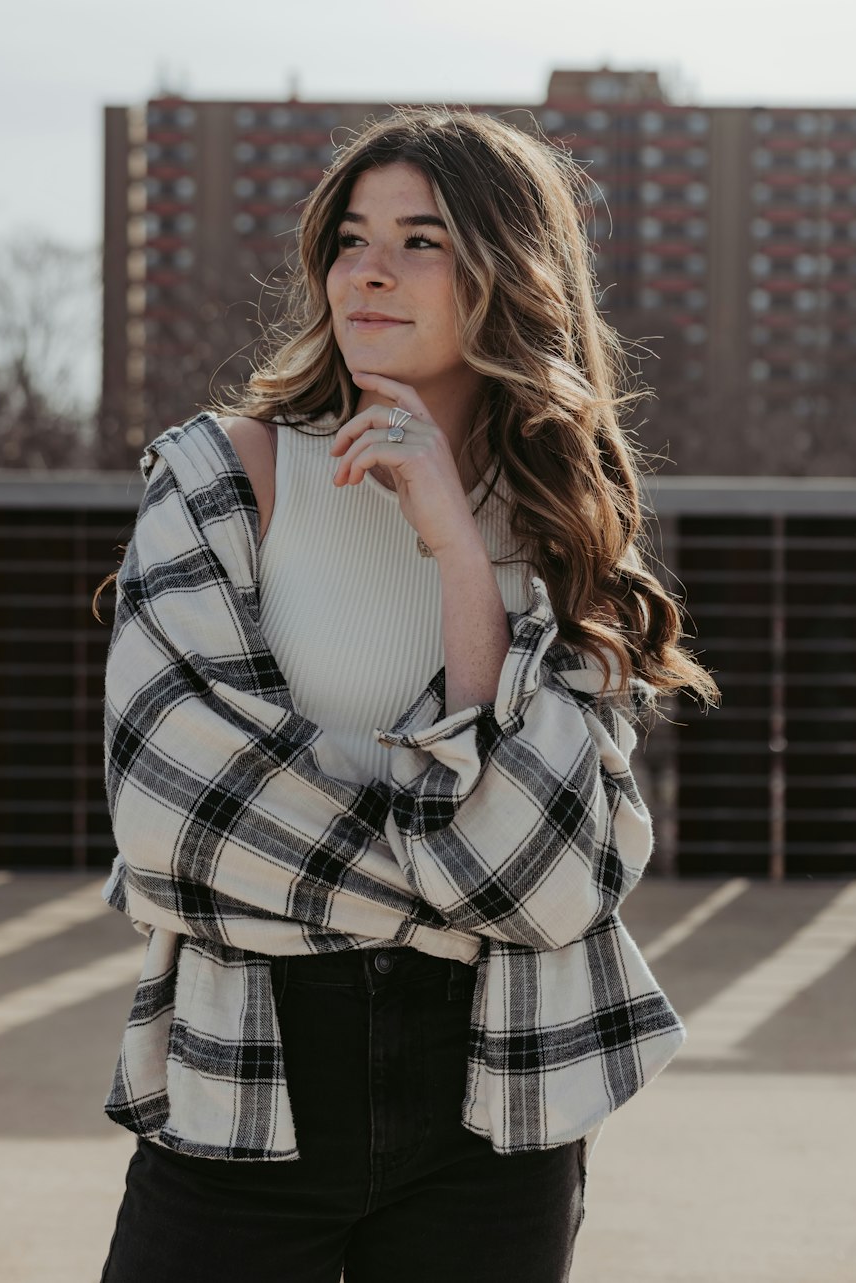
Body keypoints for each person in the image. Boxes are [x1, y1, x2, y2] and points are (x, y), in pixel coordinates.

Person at [96, 107, 719, 1283]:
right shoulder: (222, 474)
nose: (368, 270)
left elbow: (546, 881)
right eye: (349, 236)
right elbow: (174, 822)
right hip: (250, 1076)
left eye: (421, 239)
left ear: (507, 271)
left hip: (499, 1100)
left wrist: (458, 556)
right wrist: (457, 863)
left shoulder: (563, 524)